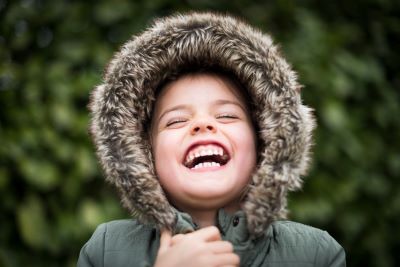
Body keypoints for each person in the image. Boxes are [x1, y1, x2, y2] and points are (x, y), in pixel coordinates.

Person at [77, 12, 346, 267]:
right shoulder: (105, 249)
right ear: (144, 155)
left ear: (264, 145)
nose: (202, 124)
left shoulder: (315, 253)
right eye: (176, 120)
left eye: (227, 115)